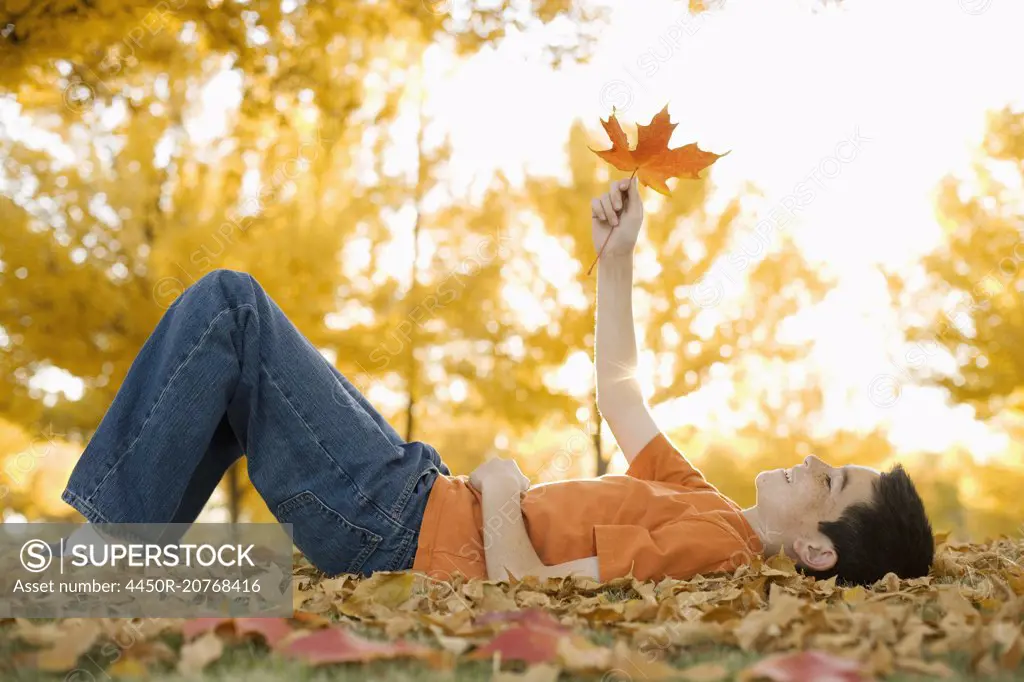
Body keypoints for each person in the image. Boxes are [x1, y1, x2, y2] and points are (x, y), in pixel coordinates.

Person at [60, 179, 934, 587]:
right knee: (244, 367)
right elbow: (620, 395)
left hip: (400, 532)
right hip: (416, 497)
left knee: (234, 308)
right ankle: (127, 559)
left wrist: (508, 489)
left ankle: (103, 560)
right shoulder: (707, 506)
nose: (814, 458)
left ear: (816, 548)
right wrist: (616, 263)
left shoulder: (720, 551)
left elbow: (525, 590)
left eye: (830, 480)